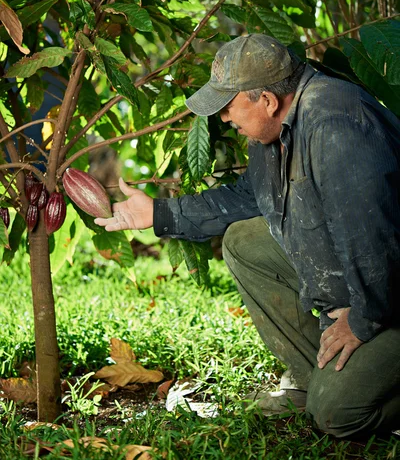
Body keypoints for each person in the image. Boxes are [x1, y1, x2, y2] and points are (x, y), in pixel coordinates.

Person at [95, 34, 400, 438]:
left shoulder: (336, 124)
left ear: (267, 100)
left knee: (334, 415)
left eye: (228, 106)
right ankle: (318, 377)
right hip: (363, 286)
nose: (223, 119)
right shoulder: (274, 130)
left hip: (390, 297)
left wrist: (362, 319)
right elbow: (248, 199)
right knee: (245, 241)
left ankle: (349, 388)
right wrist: (160, 213)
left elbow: (376, 243)